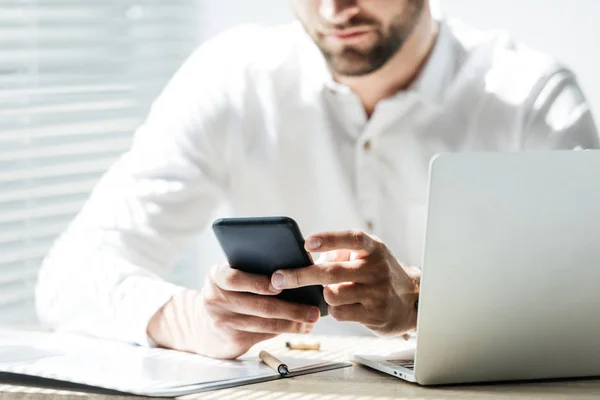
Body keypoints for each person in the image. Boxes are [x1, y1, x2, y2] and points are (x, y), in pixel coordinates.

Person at [36, 0, 599, 359]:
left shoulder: (531, 96)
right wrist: (193, 320)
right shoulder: (232, 80)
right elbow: (69, 277)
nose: (335, 8)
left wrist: (425, 302)